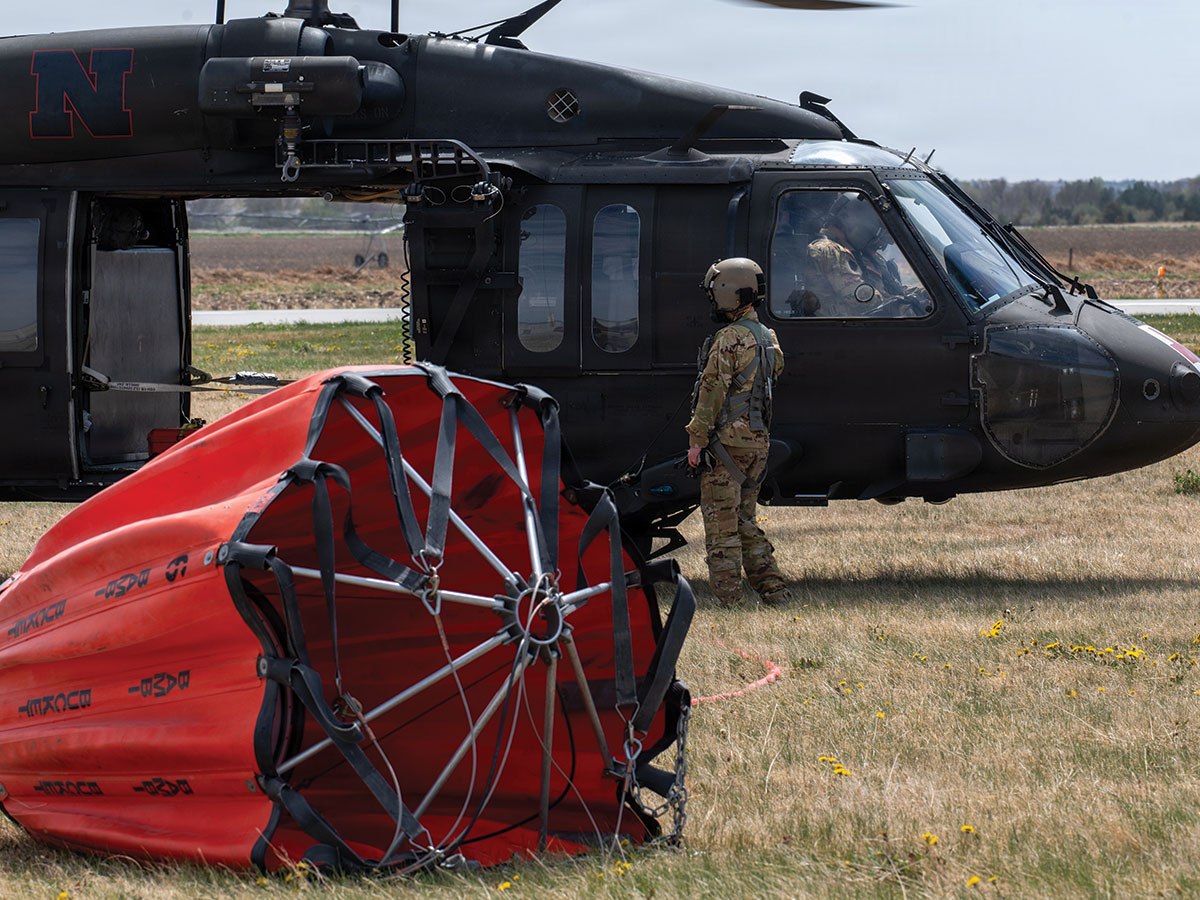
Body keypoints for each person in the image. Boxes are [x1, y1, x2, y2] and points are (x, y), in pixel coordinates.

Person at [685, 257, 790, 607]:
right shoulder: (767, 338)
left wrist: (697, 441)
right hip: (757, 445)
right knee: (745, 520)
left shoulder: (729, 339)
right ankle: (774, 589)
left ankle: (731, 601)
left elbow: (712, 392)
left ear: (730, 294)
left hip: (726, 445)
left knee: (721, 525)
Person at [805, 193, 921, 317]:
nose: (879, 244)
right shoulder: (827, 250)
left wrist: (922, 295)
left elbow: (892, 290)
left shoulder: (861, 255)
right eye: (876, 237)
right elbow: (862, 301)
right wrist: (908, 309)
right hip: (840, 330)